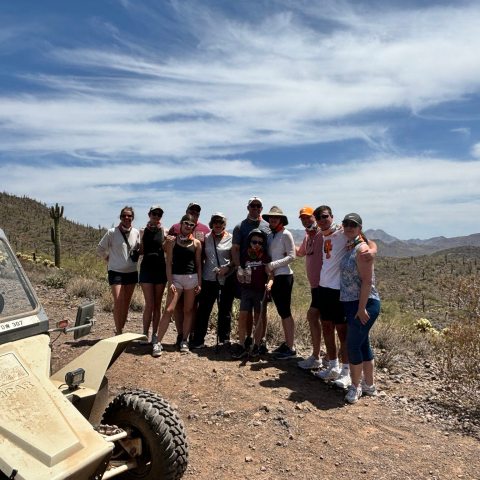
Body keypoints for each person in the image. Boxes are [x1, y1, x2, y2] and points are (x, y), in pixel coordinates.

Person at [313, 205, 376, 389]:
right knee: (326, 327)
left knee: (343, 331)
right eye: (319, 218)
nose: (322, 220)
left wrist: (373, 250)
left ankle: (347, 372)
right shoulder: (322, 234)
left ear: (332, 217)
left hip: (339, 290)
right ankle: (333, 365)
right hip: (324, 287)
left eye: (325, 216)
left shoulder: (343, 232)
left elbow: (368, 242)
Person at [339, 213, 381, 404]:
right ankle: (369, 386)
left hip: (363, 303)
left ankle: (355, 387)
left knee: (353, 344)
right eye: (346, 224)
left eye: (353, 225)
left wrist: (362, 308)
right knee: (363, 343)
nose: (349, 227)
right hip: (351, 303)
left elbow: (366, 282)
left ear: (360, 228)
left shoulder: (361, 250)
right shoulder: (351, 244)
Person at [154, 214, 202, 356]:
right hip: (176, 278)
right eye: (186, 223)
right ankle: (157, 341)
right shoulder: (172, 242)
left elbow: (198, 264)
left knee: (188, 311)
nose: (188, 226)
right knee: (169, 310)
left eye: (191, 224)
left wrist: (199, 282)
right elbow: (168, 263)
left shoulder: (196, 243)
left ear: (194, 227)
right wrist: (170, 282)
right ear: (181, 224)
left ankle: (184, 340)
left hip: (191, 279)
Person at [191, 212, 236, 349]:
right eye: (215, 222)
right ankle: (198, 340)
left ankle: (224, 339)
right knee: (204, 309)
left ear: (224, 224)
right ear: (212, 223)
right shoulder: (206, 238)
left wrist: (227, 268)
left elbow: (235, 259)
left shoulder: (231, 239)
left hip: (226, 279)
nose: (218, 224)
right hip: (208, 279)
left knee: (225, 310)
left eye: (221, 222)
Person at [168, 202, 210, 347]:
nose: (194, 213)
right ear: (186, 211)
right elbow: (167, 246)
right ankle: (181, 334)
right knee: (178, 306)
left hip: (195, 273)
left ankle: (190, 334)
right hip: (177, 272)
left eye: (197, 211)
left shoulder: (205, 229)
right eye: (191, 210)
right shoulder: (175, 227)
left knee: (192, 307)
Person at [232, 196, 271, 351]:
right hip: (245, 273)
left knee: (261, 312)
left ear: (261, 208)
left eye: (258, 206)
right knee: (246, 311)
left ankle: (260, 341)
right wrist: (238, 267)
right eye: (252, 206)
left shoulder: (267, 226)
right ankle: (247, 338)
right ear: (248, 207)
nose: (255, 208)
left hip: (262, 274)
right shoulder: (240, 226)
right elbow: (235, 249)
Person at [97, 206, 140, 335]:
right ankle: (118, 330)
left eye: (129, 216)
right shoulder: (112, 232)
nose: (126, 218)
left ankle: (121, 328)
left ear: (132, 218)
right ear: (120, 217)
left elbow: (137, 248)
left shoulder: (136, 232)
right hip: (116, 271)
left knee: (126, 303)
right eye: (124, 216)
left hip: (131, 272)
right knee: (118, 301)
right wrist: (108, 258)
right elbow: (100, 248)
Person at [263, 206, 297, 360]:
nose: (273, 219)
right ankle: (288, 343)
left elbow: (291, 256)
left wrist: (273, 265)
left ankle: (291, 347)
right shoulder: (271, 236)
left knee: (285, 311)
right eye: (271, 217)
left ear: (281, 220)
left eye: (276, 217)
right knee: (282, 311)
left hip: (284, 276)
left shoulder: (286, 234)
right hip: (274, 277)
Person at [295, 206, 324, 370]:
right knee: (322, 320)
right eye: (303, 219)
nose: (306, 221)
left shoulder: (323, 234)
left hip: (326, 285)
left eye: (308, 217)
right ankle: (323, 357)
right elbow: (300, 253)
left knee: (314, 316)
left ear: (315, 217)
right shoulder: (308, 236)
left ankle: (318, 357)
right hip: (316, 287)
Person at [138, 206, 167, 356]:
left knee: (157, 304)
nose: (156, 216)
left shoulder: (164, 231)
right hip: (147, 269)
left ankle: (155, 334)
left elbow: (167, 249)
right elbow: (141, 250)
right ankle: (144, 333)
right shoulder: (142, 231)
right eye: (154, 213)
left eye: (159, 214)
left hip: (160, 269)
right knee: (149, 303)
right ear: (149, 214)